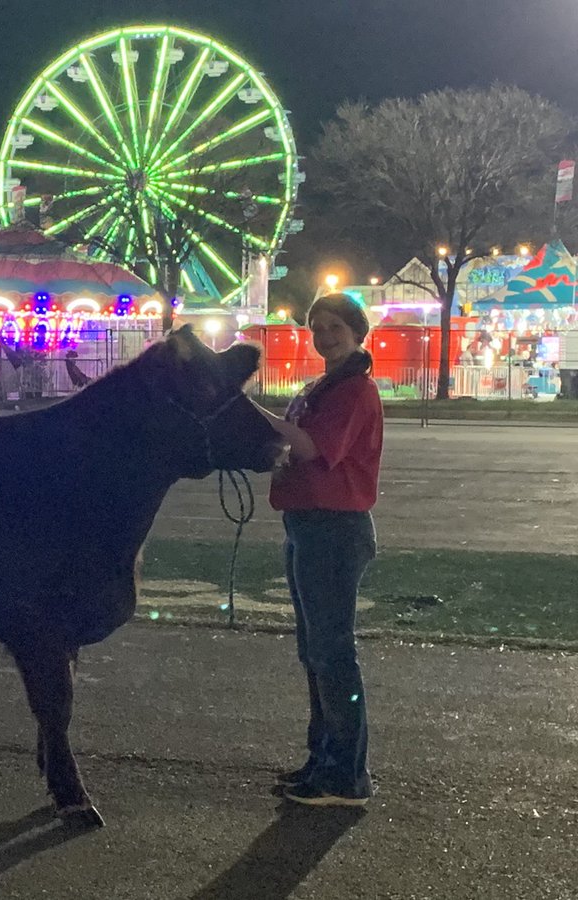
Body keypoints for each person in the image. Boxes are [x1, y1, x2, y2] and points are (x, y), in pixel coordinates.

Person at [255, 293, 384, 808]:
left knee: (332, 653)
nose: (324, 335)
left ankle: (347, 774)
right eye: (317, 327)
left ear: (357, 332)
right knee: (315, 652)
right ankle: (325, 759)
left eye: (334, 326)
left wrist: (250, 415)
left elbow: (310, 447)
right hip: (307, 526)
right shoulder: (323, 388)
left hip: (334, 531)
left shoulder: (353, 391)